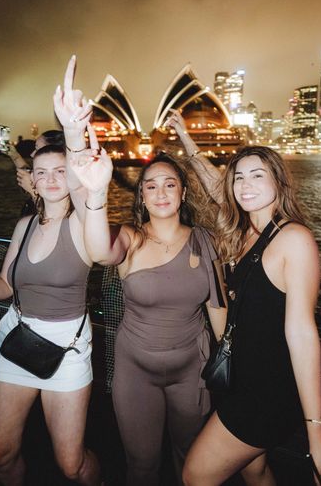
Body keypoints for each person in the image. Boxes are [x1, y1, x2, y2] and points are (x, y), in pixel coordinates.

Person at [53, 54, 227, 485]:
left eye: (170, 183)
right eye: (151, 185)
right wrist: (91, 185)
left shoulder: (206, 240)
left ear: (183, 192)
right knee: (142, 467)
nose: (161, 191)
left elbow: (219, 308)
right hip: (136, 372)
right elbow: (97, 251)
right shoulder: (130, 237)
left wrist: (228, 362)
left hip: (193, 371)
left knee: (190, 462)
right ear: (142, 196)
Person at [163, 123, 321, 485]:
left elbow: (303, 334)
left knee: (195, 475)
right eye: (239, 178)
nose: (245, 185)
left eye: (257, 175)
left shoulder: (293, 239)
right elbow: (220, 189)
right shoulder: (246, 234)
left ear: (279, 182)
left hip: (268, 392)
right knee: (255, 470)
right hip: (242, 379)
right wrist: (185, 136)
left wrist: (316, 430)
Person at [0, 142, 101, 486]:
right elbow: (4, 285)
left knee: (71, 465)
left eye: (61, 170)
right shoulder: (25, 226)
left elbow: (97, 222)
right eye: (41, 172)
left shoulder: (83, 224)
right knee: (0, 457)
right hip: (17, 341)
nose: (51, 179)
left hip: (67, 351)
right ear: (33, 180)